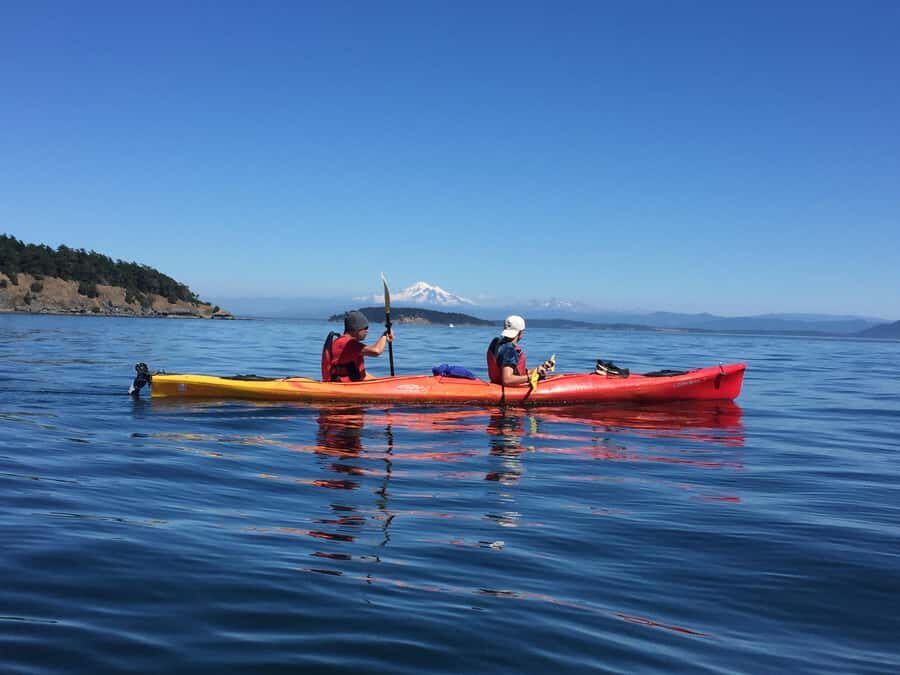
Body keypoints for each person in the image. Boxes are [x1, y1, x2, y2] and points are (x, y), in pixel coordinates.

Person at [322, 310, 394, 382]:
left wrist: (381, 382)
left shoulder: (348, 343)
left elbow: (362, 375)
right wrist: (384, 335)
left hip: (353, 385)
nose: (367, 331)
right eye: (365, 328)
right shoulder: (347, 343)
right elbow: (376, 351)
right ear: (355, 329)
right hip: (342, 387)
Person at [486, 315, 552, 386]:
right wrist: (532, 377)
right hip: (507, 388)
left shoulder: (498, 343)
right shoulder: (510, 350)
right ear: (520, 333)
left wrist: (536, 370)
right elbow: (507, 380)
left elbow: (515, 371)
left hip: (496, 384)